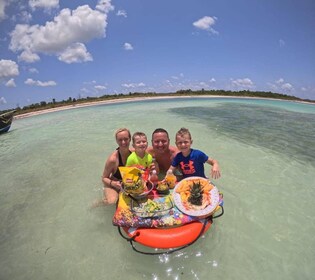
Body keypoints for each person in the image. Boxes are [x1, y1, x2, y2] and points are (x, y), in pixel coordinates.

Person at [100, 128, 132, 205]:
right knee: (112, 201)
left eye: (126, 139)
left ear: (130, 139)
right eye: (120, 140)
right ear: (116, 141)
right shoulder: (113, 159)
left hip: (126, 183)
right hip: (113, 183)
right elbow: (104, 178)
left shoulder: (134, 153)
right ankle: (98, 203)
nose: (123, 142)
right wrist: (113, 183)